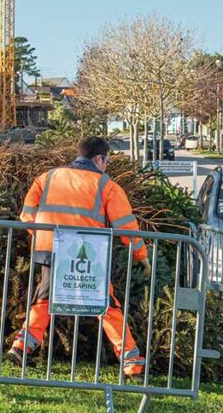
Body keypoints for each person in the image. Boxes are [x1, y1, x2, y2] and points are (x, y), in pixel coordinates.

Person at [9, 136, 151, 376]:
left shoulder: (47, 177)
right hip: (88, 252)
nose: (106, 166)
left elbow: (27, 215)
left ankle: (22, 347)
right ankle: (131, 361)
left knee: (45, 298)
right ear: (99, 159)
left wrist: (46, 237)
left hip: (50, 248)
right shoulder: (106, 185)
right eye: (106, 161)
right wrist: (141, 256)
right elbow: (126, 226)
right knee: (104, 303)